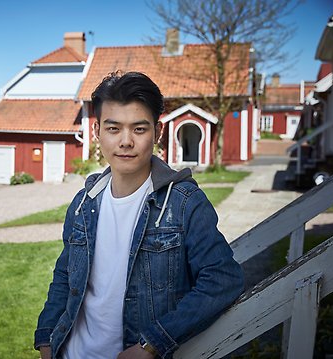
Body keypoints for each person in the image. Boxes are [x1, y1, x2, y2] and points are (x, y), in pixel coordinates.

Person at [34, 71, 244, 359]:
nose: (125, 141)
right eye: (113, 128)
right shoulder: (84, 203)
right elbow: (64, 276)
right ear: (97, 132)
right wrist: (46, 341)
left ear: (157, 133)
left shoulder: (183, 204)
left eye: (139, 129)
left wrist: (153, 343)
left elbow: (222, 279)